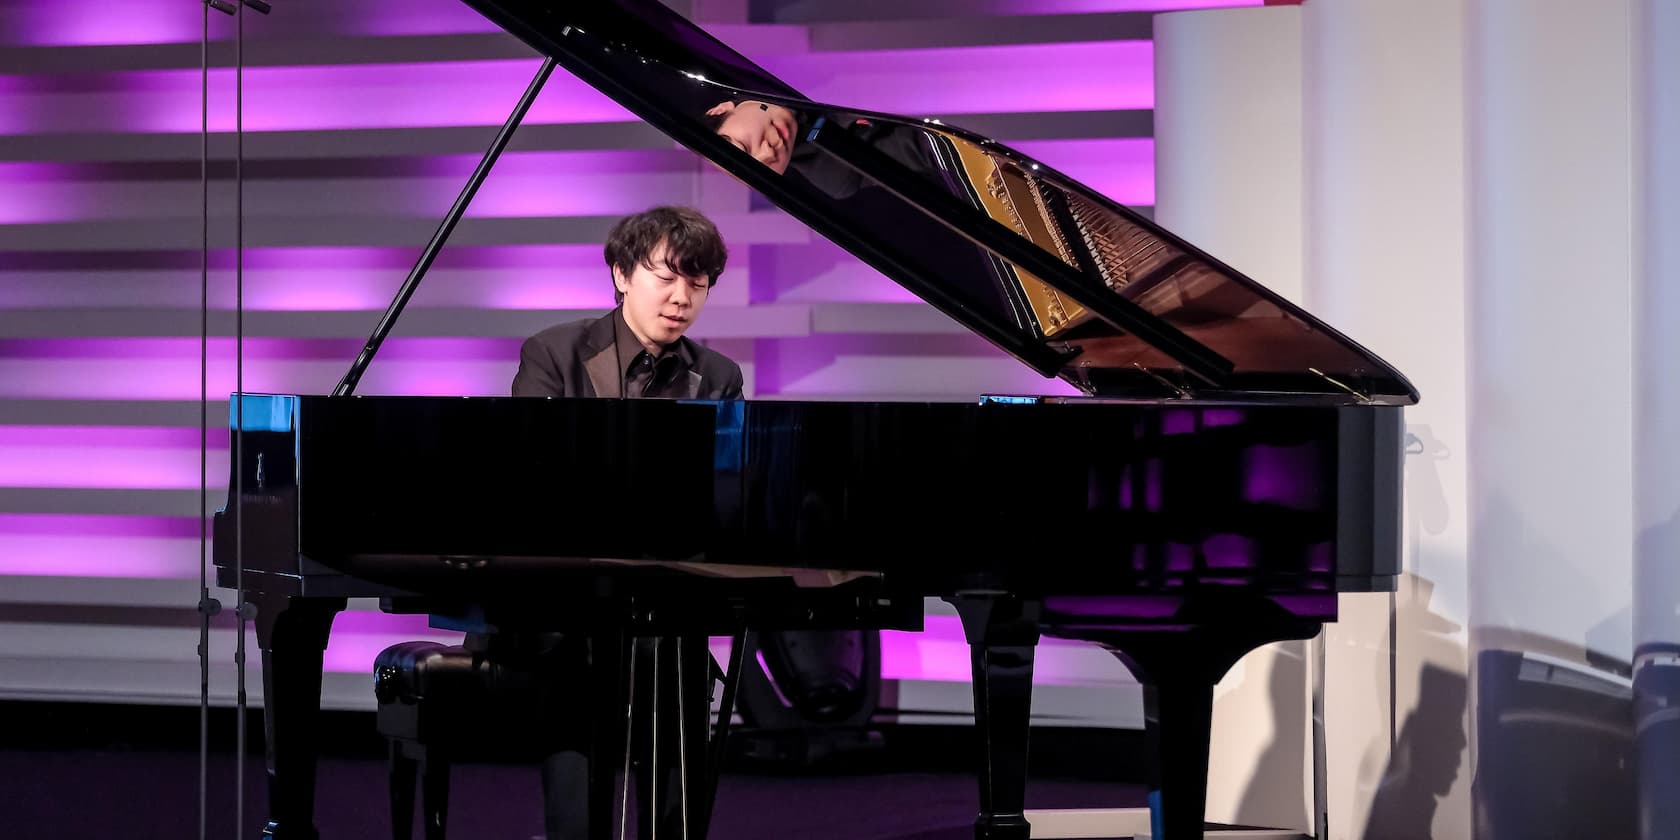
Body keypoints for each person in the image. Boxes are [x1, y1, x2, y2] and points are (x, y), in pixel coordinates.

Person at [507, 205, 739, 840]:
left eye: (697, 283)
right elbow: (532, 480)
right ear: (620, 273)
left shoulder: (718, 377)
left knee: (677, 790)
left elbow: (724, 495)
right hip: (570, 602)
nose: (681, 297)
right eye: (665, 276)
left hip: (671, 602)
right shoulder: (553, 352)